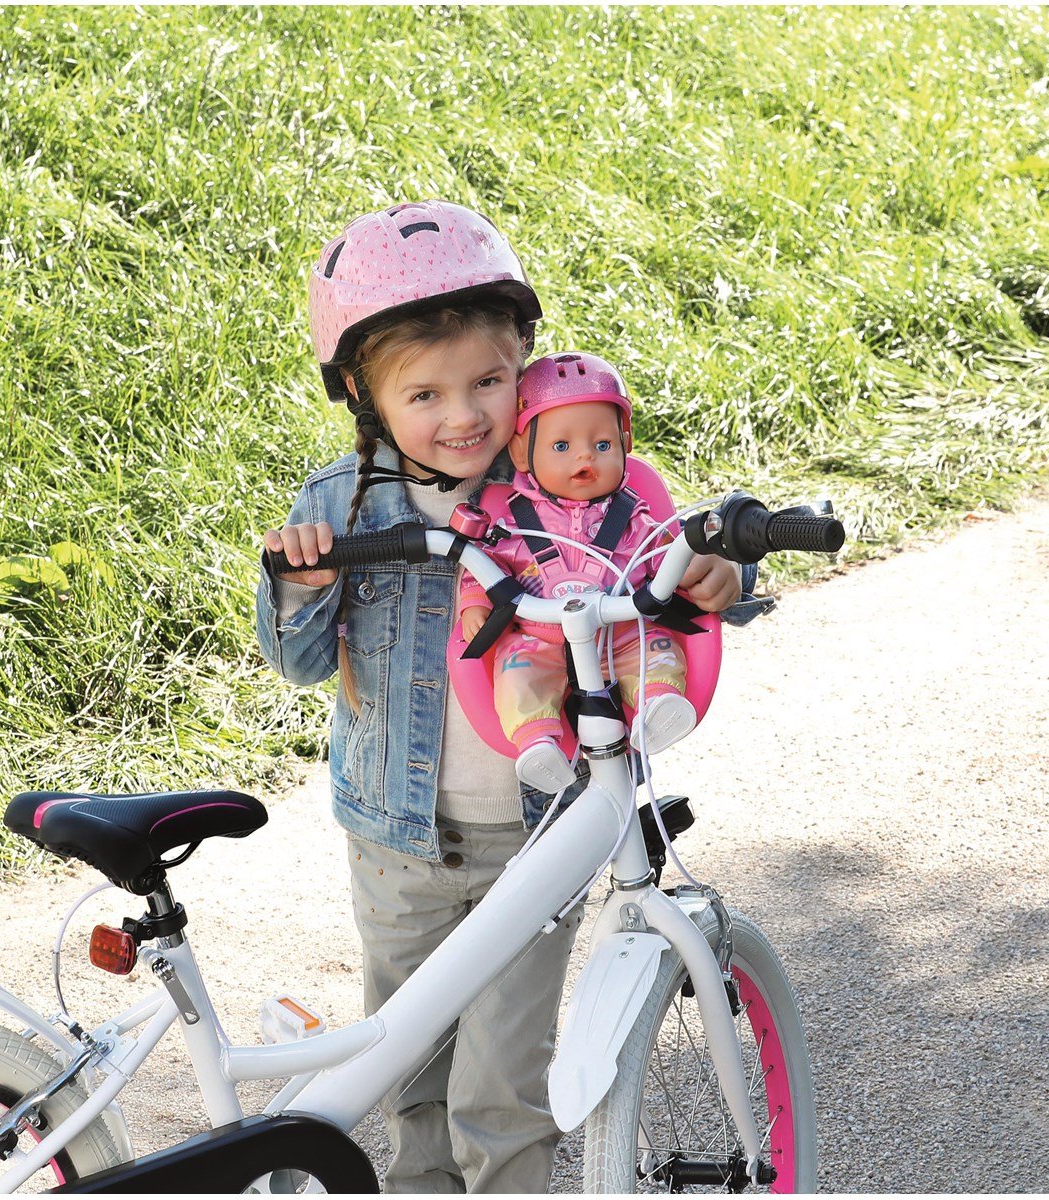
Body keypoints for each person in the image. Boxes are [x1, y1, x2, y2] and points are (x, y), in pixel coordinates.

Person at [255, 200, 748, 1194]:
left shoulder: (577, 486)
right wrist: (299, 587)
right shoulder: (344, 505)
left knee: (501, 1088)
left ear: (525, 354)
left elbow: (660, 562)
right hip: (398, 839)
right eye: (425, 393)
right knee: (409, 1071)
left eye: (487, 381)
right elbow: (302, 664)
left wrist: (715, 578)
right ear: (362, 392)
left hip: (540, 833)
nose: (464, 414)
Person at [456, 351, 698, 796]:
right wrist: (475, 602)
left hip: (619, 629)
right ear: (521, 454)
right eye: (561, 447)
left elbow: (663, 549)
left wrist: (686, 562)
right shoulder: (514, 522)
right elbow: (483, 565)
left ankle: (657, 704)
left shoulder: (633, 516)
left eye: (602, 445)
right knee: (518, 673)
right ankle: (538, 742)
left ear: (625, 443)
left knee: (656, 647)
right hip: (539, 635)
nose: (584, 456)